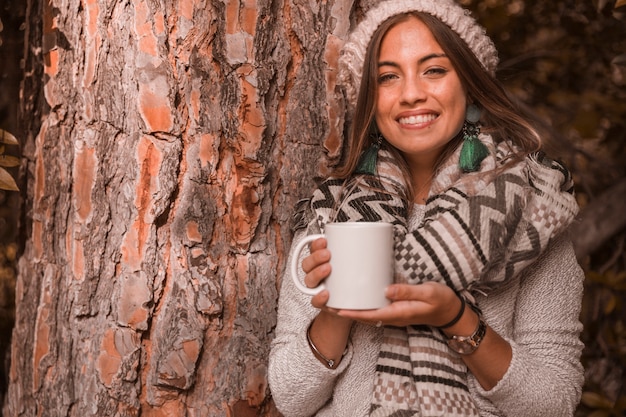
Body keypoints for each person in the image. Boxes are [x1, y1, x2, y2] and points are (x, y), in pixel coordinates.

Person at [268, 1, 585, 416]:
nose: (412, 93)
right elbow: (291, 399)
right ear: (371, 98)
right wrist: (335, 310)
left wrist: (457, 318)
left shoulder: (532, 213)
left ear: (470, 84)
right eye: (387, 77)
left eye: (434, 70)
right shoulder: (334, 212)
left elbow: (554, 401)